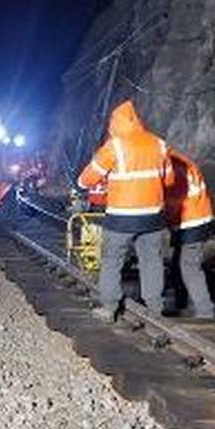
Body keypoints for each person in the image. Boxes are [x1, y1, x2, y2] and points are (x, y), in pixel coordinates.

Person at [77, 99, 173, 321]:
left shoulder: (115, 146)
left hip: (122, 217)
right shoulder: (158, 144)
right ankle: (155, 308)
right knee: (152, 261)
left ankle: (109, 308)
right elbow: (169, 180)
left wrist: (82, 184)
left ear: (115, 123)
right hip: (153, 216)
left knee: (112, 260)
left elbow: (87, 178)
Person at [165, 148, 215, 319]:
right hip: (199, 218)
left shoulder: (173, 168)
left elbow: (174, 202)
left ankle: (205, 310)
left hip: (190, 221)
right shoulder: (185, 162)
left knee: (189, 266)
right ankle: (182, 302)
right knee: (178, 262)